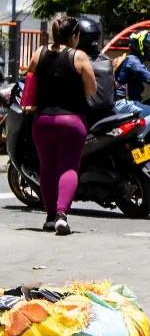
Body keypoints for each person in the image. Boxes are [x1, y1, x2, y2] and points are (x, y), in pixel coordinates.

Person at [21, 17, 97, 235]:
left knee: (47, 168)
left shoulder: (38, 53)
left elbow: (30, 82)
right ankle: (62, 214)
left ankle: (50, 217)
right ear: (74, 36)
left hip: (42, 121)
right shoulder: (79, 57)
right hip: (71, 121)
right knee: (68, 168)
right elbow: (91, 91)